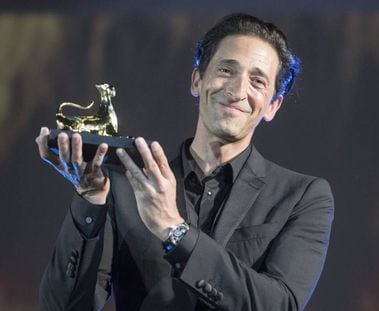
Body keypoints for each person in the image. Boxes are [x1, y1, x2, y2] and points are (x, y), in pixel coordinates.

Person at [36, 13, 334, 311]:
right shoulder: (129, 184)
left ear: (273, 105)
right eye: (226, 69)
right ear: (197, 80)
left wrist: (174, 230)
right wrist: (89, 201)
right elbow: (62, 306)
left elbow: (280, 305)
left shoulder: (302, 197)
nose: (238, 90)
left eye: (257, 81)